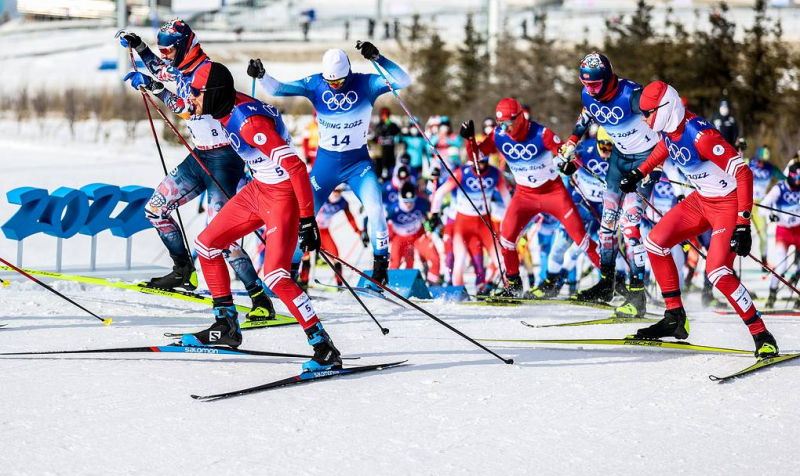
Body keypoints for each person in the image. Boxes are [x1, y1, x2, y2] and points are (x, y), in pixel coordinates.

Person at [182, 62, 342, 371]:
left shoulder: (249, 124)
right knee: (206, 245)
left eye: (196, 93)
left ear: (213, 94)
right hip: (259, 189)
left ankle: (323, 346)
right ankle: (226, 326)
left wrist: (308, 220)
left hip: (282, 196)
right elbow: (194, 99)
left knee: (275, 275)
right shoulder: (223, 104)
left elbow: (295, 167)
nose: (193, 99)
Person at [117, 19, 273, 320]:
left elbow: (185, 107)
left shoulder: (204, 71)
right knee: (155, 209)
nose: (163, 54)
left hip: (225, 161)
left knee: (220, 237)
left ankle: (260, 299)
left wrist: (153, 88)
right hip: (199, 156)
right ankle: (183, 271)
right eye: (160, 49)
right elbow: (161, 70)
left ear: (185, 45)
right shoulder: (181, 65)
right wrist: (140, 47)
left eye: (168, 49)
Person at [619, 80, 778, 358]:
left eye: (647, 113)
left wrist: (743, 223)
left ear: (664, 109)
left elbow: (743, 172)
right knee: (655, 243)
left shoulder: (700, 135)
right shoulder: (670, 127)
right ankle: (674, 318)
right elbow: (665, 148)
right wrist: (640, 171)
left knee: (717, 272)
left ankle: (762, 334)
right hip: (701, 200)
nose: (643, 118)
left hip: (728, 204)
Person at [247, 41, 410, 286]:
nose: (334, 86)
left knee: (376, 210)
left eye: (338, 82)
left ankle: (380, 268)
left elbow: (403, 81)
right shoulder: (316, 83)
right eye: (330, 82)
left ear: (348, 75)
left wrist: (378, 58)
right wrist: (262, 76)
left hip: (358, 164)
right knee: (305, 216)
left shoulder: (366, 83)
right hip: (326, 164)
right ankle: (291, 271)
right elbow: (278, 89)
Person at [463, 97, 601, 297]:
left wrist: (569, 163)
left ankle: (608, 281)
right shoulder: (498, 135)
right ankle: (514, 286)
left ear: (519, 118)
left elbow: (563, 151)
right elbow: (476, 156)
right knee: (507, 238)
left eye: (508, 124)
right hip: (524, 196)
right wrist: (468, 140)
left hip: (553, 193)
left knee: (581, 239)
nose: (505, 128)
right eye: (501, 124)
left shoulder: (541, 133)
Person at [558, 52, 659, 317]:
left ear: (608, 77)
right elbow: (585, 117)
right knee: (607, 227)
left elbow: (664, 125)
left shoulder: (631, 94)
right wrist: (571, 142)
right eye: (585, 83)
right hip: (618, 159)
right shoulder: (587, 95)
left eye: (594, 84)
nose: (589, 89)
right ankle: (607, 285)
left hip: (644, 160)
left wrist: (656, 166)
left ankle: (638, 295)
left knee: (630, 227)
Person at [538, 128, 611, 298]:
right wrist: (565, 166)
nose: (607, 151)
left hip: (602, 210)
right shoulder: (585, 148)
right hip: (580, 205)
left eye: (611, 147)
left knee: (596, 250)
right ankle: (550, 284)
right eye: (604, 146)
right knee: (558, 246)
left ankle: (610, 286)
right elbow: (558, 163)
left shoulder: (619, 154)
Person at [430, 152, 510, 293]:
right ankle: (457, 290)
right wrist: (435, 214)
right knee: (459, 259)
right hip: (462, 224)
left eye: (483, 163)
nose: (480, 167)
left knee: (501, 259)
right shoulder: (462, 173)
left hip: (484, 223)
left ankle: (507, 289)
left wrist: (511, 217)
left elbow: (506, 196)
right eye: (478, 163)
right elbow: (440, 193)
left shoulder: (494, 173)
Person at [761, 164, 800, 308]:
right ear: (790, 175)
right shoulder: (779, 188)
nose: (798, 181)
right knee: (781, 265)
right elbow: (763, 207)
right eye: (796, 177)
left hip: (798, 230)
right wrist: (771, 215)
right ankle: (772, 295)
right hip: (783, 232)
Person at [387, 182, 440, 284]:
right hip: (400, 237)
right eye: (405, 201)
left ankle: (432, 284)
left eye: (411, 201)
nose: (409, 204)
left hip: (417, 235)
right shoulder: (392, 209)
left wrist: (434, 221)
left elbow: (433, 213)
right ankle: (391, 285)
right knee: (395, 264)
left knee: (434, 257)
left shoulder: (421, 203)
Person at [315, 186, 364, 286]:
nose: (336, 193)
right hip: (311, 230)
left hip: (324, 232)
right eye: (334, 190)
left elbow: (350, 217)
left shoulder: (342, 202)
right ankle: (303, 281)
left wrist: (359, 231)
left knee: (336, 257)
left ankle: (339, 285)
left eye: (339, 191)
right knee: (304, 257)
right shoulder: (321, 196)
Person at [749, 145, 784, 263]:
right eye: (759, 161)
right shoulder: (748, 162)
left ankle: (764, 260)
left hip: (759, 205)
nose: (761, 164)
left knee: (763, 235)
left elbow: (786, 179)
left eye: (763, 161)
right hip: (744, 202)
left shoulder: (771, 168)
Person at [372, 107, 401, 180]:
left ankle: (391, 179)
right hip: (381, 151)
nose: (384, 116)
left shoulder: (392, 125)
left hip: (390, 150)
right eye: (383, 115)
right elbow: (375, 137)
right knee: (380, 167)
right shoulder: (379, 125)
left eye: (386, 115)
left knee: (391, 167)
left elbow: (397, 131)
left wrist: (388, 125)